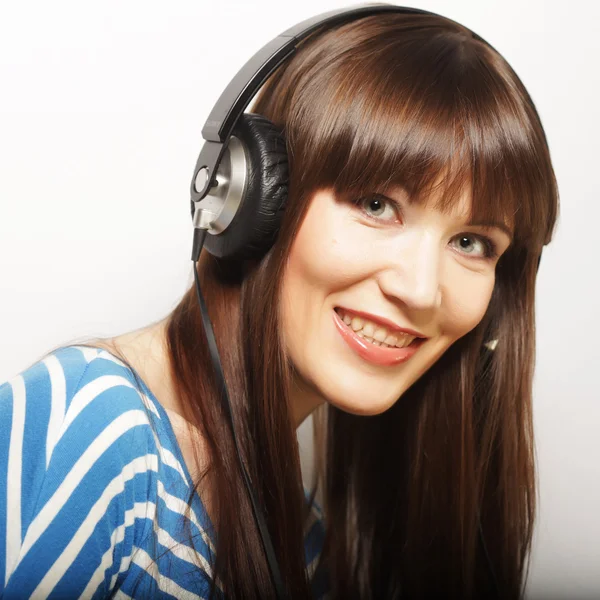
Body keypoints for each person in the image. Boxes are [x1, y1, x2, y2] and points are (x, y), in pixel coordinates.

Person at [0, 5, 559, 600]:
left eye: (471, 243)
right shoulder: (90, 432)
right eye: (377, 204)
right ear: (249, 199)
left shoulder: (299, 534)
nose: (421, 290)